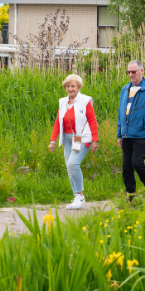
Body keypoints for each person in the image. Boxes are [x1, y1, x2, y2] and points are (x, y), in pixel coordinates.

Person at [49, 74, 98, 209]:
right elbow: (57, 123)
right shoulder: (63, 102)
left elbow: (92, 121)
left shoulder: (85, 101)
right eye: (68, 86)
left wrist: (95, 139)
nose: (70, 89)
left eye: (73, 86)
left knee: (72, 164)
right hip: (68, 139)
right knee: (70, 168)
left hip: (81, 138)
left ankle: (80, 195)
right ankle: (77, 197)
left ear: (78, 87)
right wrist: (53, 140)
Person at [117, 60, 145, 197]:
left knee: (137, 163)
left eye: (133, 72)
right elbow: (121, 112)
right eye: (128, 72)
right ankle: (130, 193)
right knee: (126, 167)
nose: (131, 75)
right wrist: (119, 133)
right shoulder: (125, 90)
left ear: (141, 71)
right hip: (126, 135)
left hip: (142, 134)